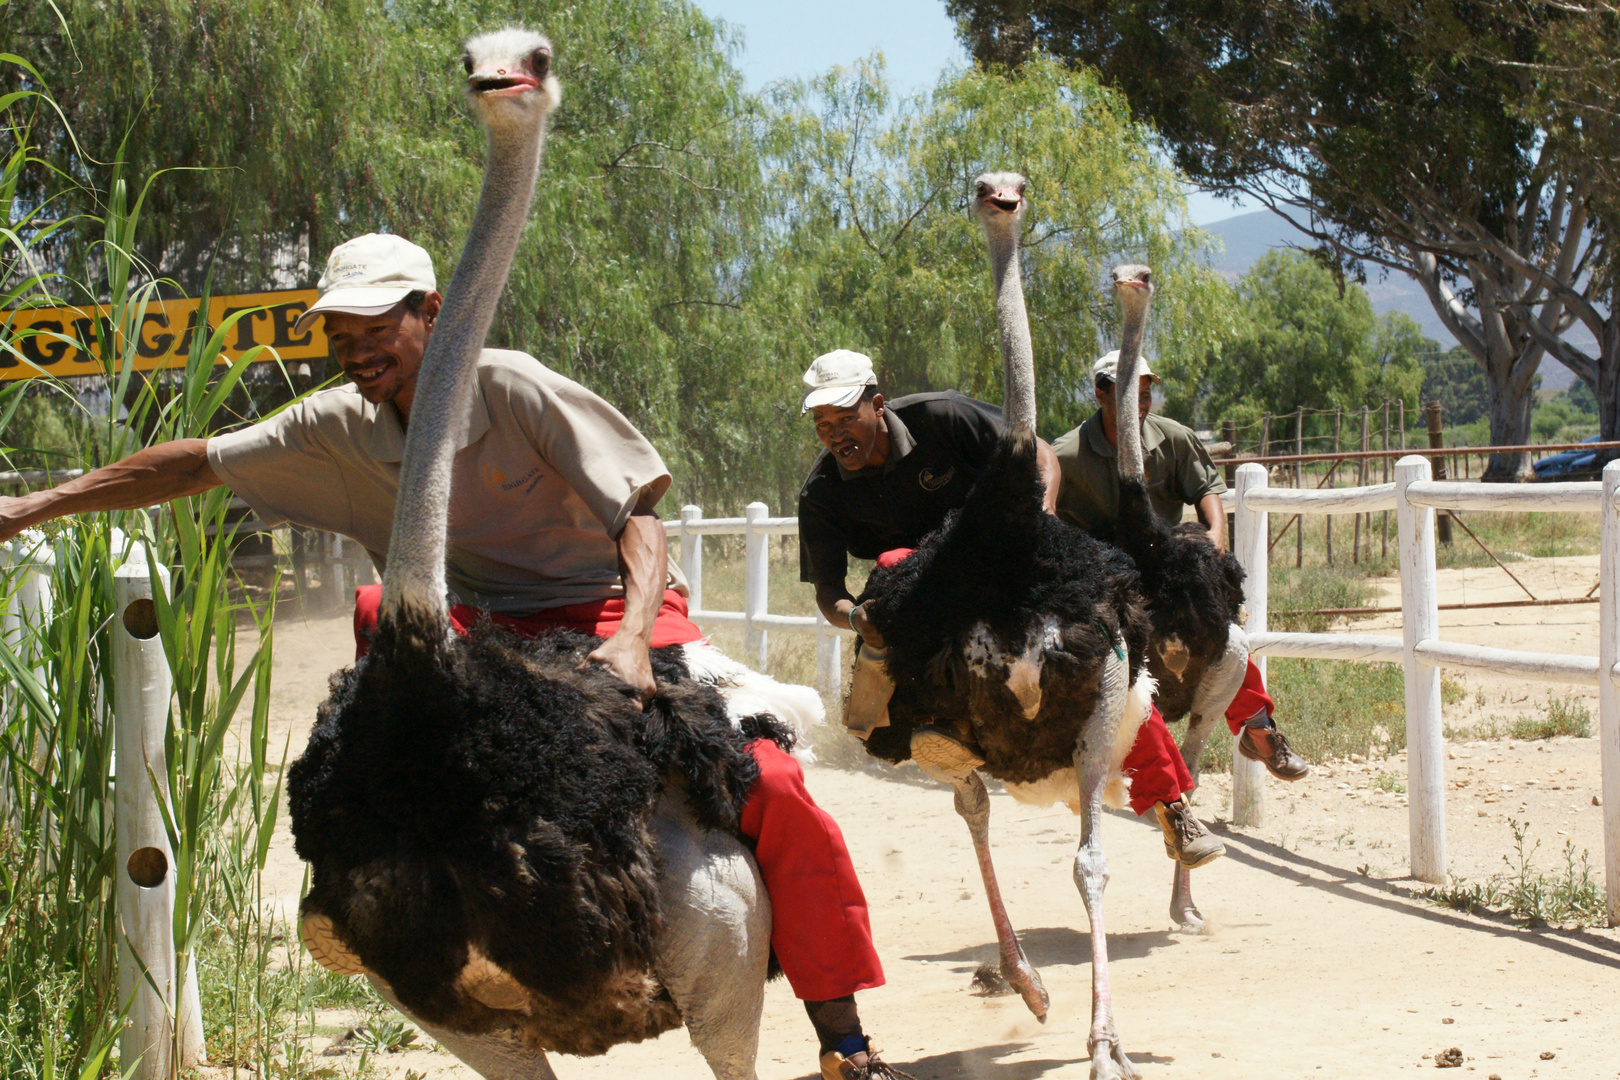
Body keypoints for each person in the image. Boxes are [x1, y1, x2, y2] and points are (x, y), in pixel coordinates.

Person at [0, 235, 901, 1080]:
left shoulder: (512, 387)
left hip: (604, 613)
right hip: (482, 631)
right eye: (340, 334)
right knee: (378, 696)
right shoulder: (338, 424)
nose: (355, 349)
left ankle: (840, 1035)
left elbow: (639, 518)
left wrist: (630, 642)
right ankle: (348, 906)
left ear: (432, 311)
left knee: (772, 785)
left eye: (375, 327)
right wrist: (32, 507)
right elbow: (196, 462)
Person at [796, 349, 1226, 869]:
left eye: (846, 418)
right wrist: (855, 618)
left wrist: (1040, 517)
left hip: (999, 548)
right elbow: (828, 591)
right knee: (891, 583)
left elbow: (1039, 454)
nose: (836, 432)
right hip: (921, 594)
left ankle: (1171, 803)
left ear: (878, 406)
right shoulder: (821, 494)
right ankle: (938, 728)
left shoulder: (943, 417)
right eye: (823, 424)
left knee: (1095, 647)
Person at [1051, 350, 1309, 781]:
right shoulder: (1068, 454)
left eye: (1147, 393)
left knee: (1220, 632)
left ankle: (1258, 728)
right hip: (1105, 567)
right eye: (1132, 393)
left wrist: (1215, 541)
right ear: (1100, 393)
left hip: (1162, 563)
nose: (1142, 402)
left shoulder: (1172, 438)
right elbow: (1044, 510)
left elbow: (1207, 492)